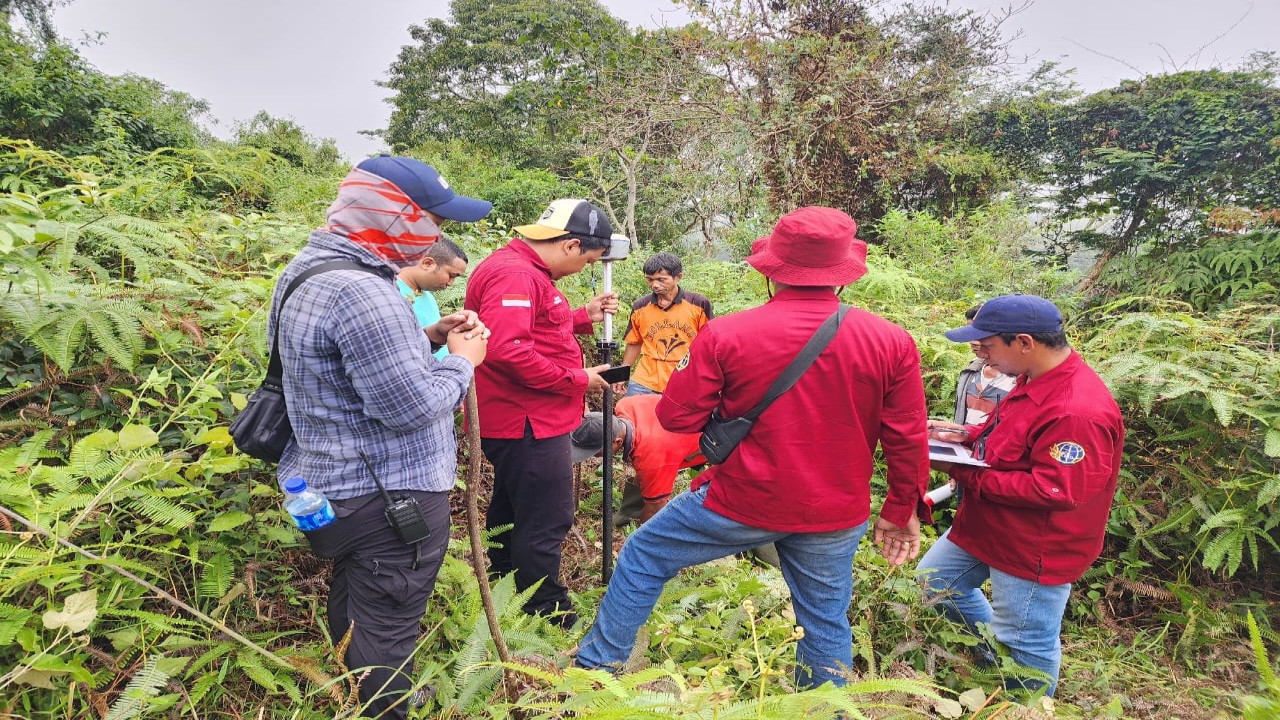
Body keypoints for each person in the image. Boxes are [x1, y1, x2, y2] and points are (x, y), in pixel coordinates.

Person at [575, 206, 932, 688]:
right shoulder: (891, 340)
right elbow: (907, 436)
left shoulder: (727, 334)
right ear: (842, 277)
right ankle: (825, 708)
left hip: (739, 500)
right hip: (835, 509)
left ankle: (594, 674)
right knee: (825, 620)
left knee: (643, 554)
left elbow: (676, 416)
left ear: (770, 274)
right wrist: (901, 507)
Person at [271, 154, 491, 719]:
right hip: (389, 494)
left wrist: (426, 337)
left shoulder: (311, 269)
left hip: (332, 483)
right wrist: (462, 361)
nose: (437, 237)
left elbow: (342, 363)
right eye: (431, 220)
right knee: (390, 618)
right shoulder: (365, 291)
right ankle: (383, 704)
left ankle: (353, 686)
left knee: (357, 597)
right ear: (396, 217)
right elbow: (411, 407)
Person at [920, 294, 1125, 697]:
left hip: (1034, 542)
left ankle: (1026, 704)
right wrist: (965, 436)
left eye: (988, 345)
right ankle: (993, 660)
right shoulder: (1030, 379)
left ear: (1025, 343)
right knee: (936, 581)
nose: (981, 354)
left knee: (1026, 639)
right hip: (988, 525)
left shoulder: (1076, 410)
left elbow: (1057, 488)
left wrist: (961, 472)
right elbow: (1013, 438)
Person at [463, 198, 620, 628]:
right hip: (527, 420)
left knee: (514, 509)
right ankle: (547, 613)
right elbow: (507, 351)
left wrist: (581, 318)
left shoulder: (521, 270)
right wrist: (578, 379)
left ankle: (501, 589)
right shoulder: (515, 276)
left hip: (525, 418)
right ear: (570, 245)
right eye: (589, 260)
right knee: (547, 517)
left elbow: (536, 328)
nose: (587, 269)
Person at [569, 394, 704, 524]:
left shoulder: (653, 459)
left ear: (617, 441)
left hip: (715, 440)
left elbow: (655, 509)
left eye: (595, 452)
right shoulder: (627, 405)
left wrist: (638, 538)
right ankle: (629, 514)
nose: (593, 456)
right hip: (688, 421)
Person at [619, 252, 714, 397]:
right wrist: (621, 374)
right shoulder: (640, 306)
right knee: (632, 416)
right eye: (649, 280)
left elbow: (710, 343)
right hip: (644, 380)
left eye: (661, 279)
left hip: (684, 379)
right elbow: (634, 342)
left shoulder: (698, 303)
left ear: (678, 277)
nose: (655, 285)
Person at [397, 237, 469, 359]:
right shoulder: (393, 293)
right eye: (451, 275)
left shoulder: (428, 296)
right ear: (427, 264)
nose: (451, 283)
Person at [953, 303, 1016, 425]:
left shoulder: (1019, 379)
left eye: (979, 335)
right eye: (970, 335)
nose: (973, 341)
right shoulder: (970, 371)